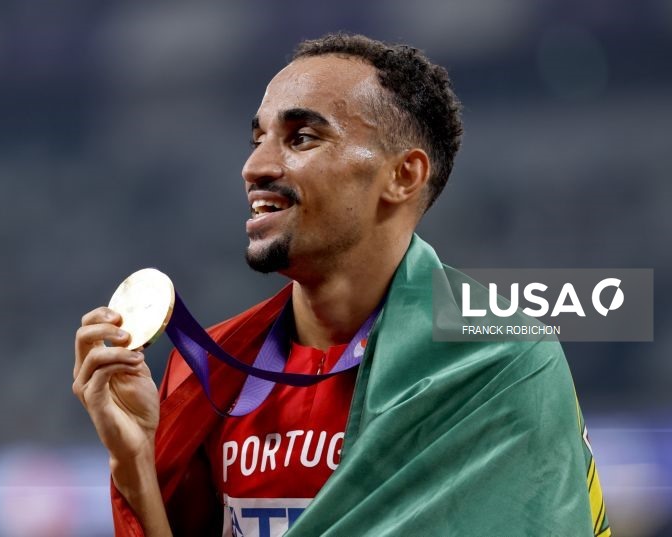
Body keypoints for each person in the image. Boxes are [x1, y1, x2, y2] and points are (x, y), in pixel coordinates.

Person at [73, 33, 610, 536]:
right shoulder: (209, 375)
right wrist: (136, 460)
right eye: (258, 138)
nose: (254, 166)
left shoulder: (494, 360)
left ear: (403, 176)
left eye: (301, 138)